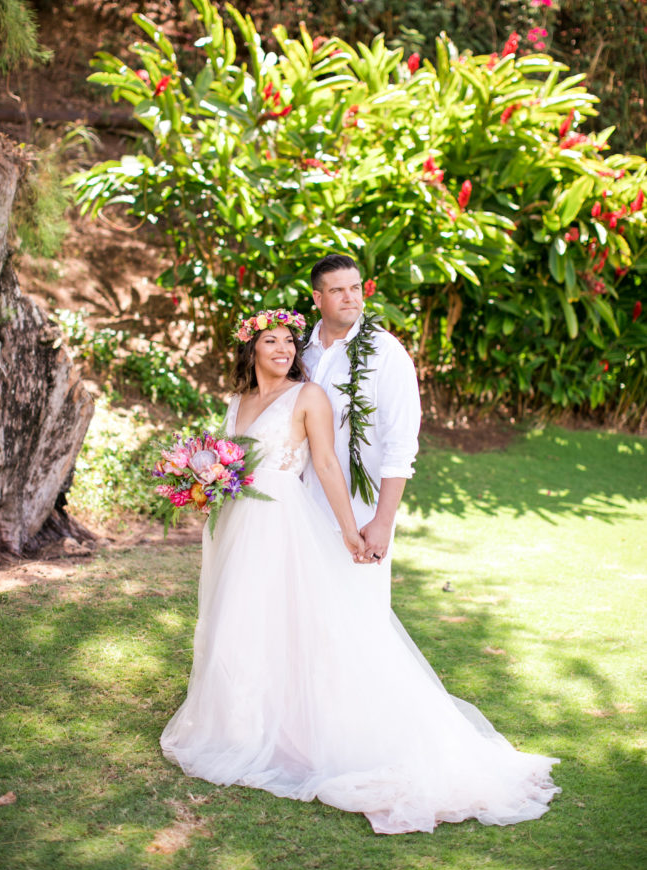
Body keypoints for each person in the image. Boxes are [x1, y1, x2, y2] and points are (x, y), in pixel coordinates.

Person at [160, 308, 560, 835]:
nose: (283, 350)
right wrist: (204, 482)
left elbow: (326, 464)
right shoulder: (236, 401)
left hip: (283, 525)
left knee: (304, 624)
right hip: (237, 526)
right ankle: (245, 724)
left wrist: (352, 529)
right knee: (243, 620)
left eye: (288, 342)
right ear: (251, 349)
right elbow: (232, 461)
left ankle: (305, 730)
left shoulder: (308, 397)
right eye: (271, 342)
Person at [302, 255, 421, 601]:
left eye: (355, 288)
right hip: (299, 505)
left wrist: (383, 521)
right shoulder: (298, 352)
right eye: (337, 290)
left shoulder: (386, 354)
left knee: (355, 611)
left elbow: (401, 444)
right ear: (317, 298)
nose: (350, 297)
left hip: (361, 509)